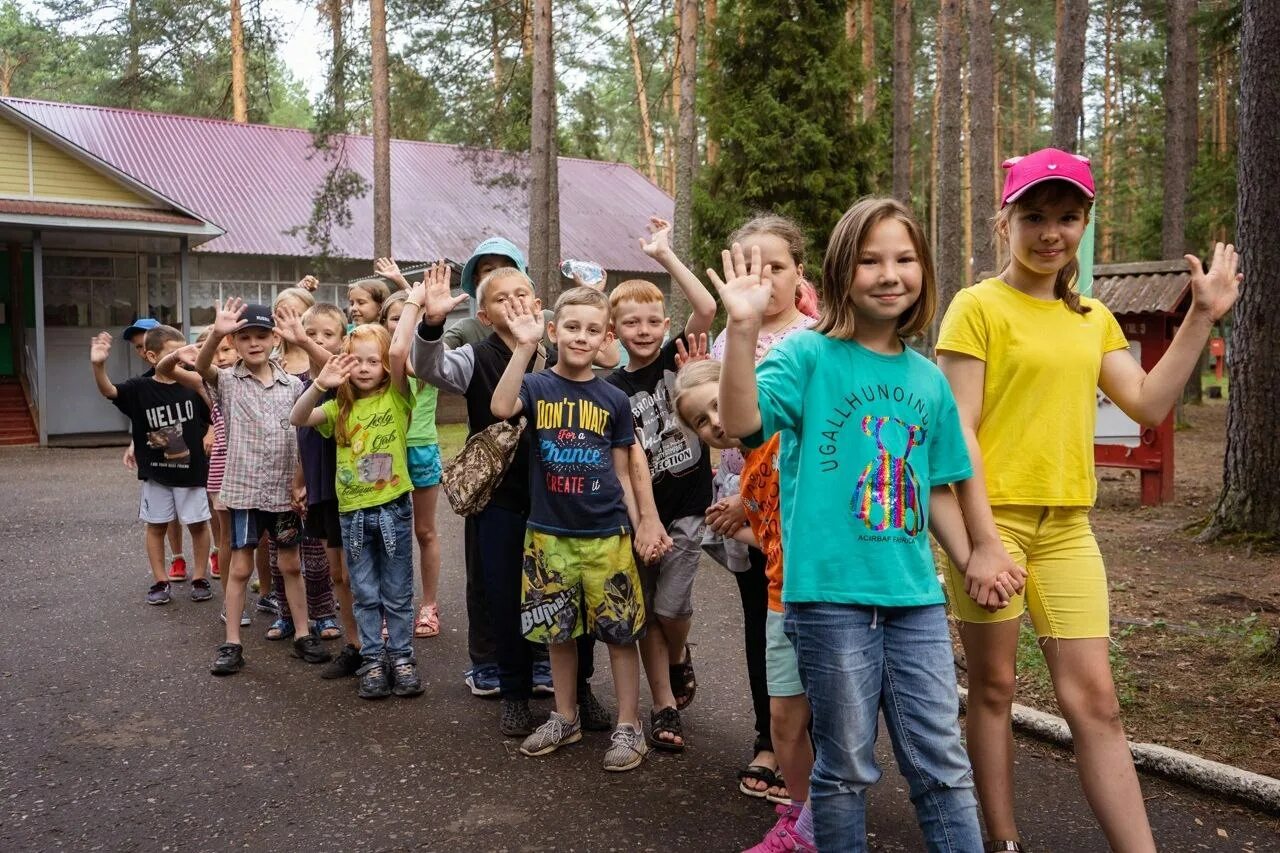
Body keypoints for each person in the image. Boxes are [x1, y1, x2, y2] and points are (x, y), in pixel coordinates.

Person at [935, 148, 1242, 853]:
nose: (1051, 232)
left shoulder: (1092, 318)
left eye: (1067, 217)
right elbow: (961, 434)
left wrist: (1201, 317)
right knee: (994, 687)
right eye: (1035, 216)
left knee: (1096, 700)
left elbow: (1147, 400)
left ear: (1084, 223)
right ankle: (1004, 841)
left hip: (1068, 525)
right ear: (1003, 221)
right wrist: (981, 541)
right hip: (994, 519)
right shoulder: (976, 306)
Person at [714, 197, 1020, 851]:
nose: (889, 273)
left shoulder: (928, 378)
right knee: (845, 767)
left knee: (942, 767)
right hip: (828, 601)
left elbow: (933, 488)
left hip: (915, 602)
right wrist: (740, 330)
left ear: (923, 271)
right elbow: (742, 423)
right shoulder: (807, 356)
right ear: (839, 272)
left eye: (904, 258)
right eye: (870, 259)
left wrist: (974, 559)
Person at [413, 265, 639, 735]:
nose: (514, 302)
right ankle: (514, 693)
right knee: (504, 598)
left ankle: (579, 692)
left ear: (540, 307)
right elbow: (431, 367)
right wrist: (430, 325)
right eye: (501, 298)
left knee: (574, 598)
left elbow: (610, 362)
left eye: (523, 293)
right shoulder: (476, 355)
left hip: (562, 504)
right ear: (483, 313)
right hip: (500, 499)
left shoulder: (563, 349)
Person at [490, 286, 650, 772]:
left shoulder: (614, 399)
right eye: (572, 327)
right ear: (556, 331)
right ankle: (565, 715)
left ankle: (628, 724)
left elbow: (622, 470)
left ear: (606, 338)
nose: (581, 337)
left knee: (621, 635)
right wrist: (522, 346)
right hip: (548, 536)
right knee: (557, 633)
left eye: (592, 330)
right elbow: (500, 407)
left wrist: (640, 525)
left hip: (607, 537)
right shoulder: (537, 387)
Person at [674, 357, 815, 852]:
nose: (715, 422)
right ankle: (801, 820)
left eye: (717, 404)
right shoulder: (748, 468)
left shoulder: (785, 442)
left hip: (821, 602)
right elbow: (777, 537)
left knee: (825, 719)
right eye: (701, 421)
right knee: (782, 721)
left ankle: (821, 819)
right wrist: (739, 527)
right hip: (780, 598)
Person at [707, 214, 820, 801]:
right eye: (751, 265)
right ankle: (769, 740)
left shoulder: (818, 337)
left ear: (799, 272)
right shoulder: (731, 337)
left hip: (792, 511)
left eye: (776, 266)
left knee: (809, 633)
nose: (764, 277)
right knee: (762, 627)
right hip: (739, 504)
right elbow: (723, 419)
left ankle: (812, 750)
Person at [291, 269, 439, 699]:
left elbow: (396, 354)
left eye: (372, 361)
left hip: (393, 507)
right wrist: (321, 383)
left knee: (397, 590)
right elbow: (298, 418)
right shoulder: (337, 406)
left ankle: (403, 659)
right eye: (357, 362)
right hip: (353, 512)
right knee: (364, 592)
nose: (366, 369)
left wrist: (412, 302)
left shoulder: (398, 396)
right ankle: (374, 660)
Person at [604, 216, 718, 752]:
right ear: (615, 332)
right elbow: (620, 462)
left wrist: (665, 256)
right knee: (646, 611)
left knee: (672, 609)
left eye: (653, 321)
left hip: (689, 506)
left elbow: (709, 309)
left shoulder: (679, 359)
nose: (644, 331)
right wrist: (632, 517)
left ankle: (677, 657)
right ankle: (663, 706)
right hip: (637, 516)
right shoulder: (610, 388)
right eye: (632, 323)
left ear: (664, 322)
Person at [193, 298, 331, 675]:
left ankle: (303, 633)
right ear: (235, 343)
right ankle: (232, 641)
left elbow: (302, 429)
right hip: (243, 493)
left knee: (290, 563)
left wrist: (302, 339)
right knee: (239, 568)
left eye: (261, 335)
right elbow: (202, 366)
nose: (253, 343)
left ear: (273, 339)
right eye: (244, 337)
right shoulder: (226, 382)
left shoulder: (292, 384)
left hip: (283, 495)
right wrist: (215, 335)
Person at [91, 323, 214, 606]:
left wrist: (210, 426)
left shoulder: (194, 383)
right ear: (151, 356)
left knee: (198, 524)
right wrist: (98, 366)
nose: (182, 358)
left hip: (193, 473)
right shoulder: (139, 388)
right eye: (174, 353)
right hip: (156, 475)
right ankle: (160, 580)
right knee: (156, 526)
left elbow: (214, 414)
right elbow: (109, 390)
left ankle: (199, 576)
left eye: (185, 352)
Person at [263, 284, 340, 643]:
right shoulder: (272, 366)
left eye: (297, 313)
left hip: (320, 469)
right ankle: (286, 612)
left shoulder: (331, 372)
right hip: (283, 464)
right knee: (284, 546)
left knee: (317, 549)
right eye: (283, 314)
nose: (291, 323)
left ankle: (323, 611)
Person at [376, 259, 444, 640]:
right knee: (387, 534)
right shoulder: (375, 362)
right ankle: (390, 607)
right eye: (392, 318)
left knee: (424, 531)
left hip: (419, 449)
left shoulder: (423, 356)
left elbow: (405, 355)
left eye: (406, 316)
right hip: (384, 454)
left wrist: (411, 297)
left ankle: (429, 605)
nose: (398, 323)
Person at [122, 317, 189, 583]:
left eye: (145, 343)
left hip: (194, 453)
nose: (142, 351)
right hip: (164, 457)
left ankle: (216, 552)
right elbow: (145, 422)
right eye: (138, 347)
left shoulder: (186, 372)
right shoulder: (145, 382)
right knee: (165, 511)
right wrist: (133, 445)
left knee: (204, 509)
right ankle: (178, 558)